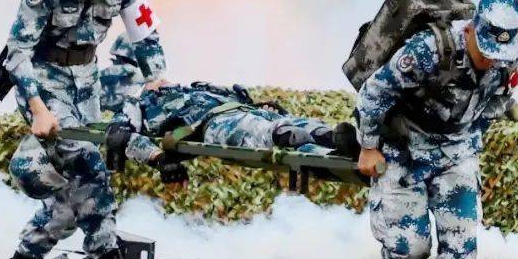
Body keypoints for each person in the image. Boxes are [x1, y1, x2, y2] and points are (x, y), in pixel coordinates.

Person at [0, 0, 164, 259]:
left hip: (87, 81)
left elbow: (145, 33)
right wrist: (37, 107)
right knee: (89, 167)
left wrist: (156, 76)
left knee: (70, 200)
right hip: (44, 81)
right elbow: (17, 53)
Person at [356, 0, 518, 259]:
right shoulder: (429, 50)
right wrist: (370, 147)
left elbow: (493, 108)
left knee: (462, 246)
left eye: (500, 53)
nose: (493, 59)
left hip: (456, 153)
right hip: (405, 148)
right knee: (409, 250)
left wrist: (468, 147)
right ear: (472, 30)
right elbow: (374, 93)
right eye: (487, 50)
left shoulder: (507, 62)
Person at [104, 81, 360, 173]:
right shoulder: (140, 103)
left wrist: (259, 104)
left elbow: (239, 95)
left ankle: (335, 139)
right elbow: (119, 136)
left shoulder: (196, 86)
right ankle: (290, 136)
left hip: (244, 110)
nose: (160, 79)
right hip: (210, 124)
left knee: (296, 124)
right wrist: (157, 157)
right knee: (262, 131)